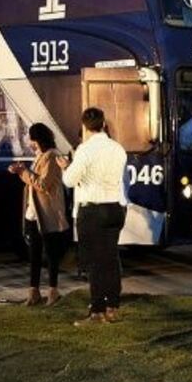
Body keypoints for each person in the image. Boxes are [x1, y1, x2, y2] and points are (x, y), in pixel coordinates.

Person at [58, 108, 127, 326]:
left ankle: (97, 311)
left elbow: (69, 180)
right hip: (115, 207)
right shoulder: (118, 148)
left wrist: (66, 168)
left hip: (93, 210)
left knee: (95, 263)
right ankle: (112, 306)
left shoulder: (85, 149)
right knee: (111, 259)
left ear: (85, 126)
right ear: (103, 123)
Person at [8, 123, 69, 307]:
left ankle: (53, 291)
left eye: (32, 139)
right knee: (33, 254)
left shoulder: (52, 156)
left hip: (47, 213)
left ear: (39, 139)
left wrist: (23, 171)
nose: (30, 143)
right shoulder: (40, 155)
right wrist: (21, 171)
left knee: (51, 254)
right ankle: (33, 291)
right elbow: (33, 181)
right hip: (33, 213)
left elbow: (43, 184)